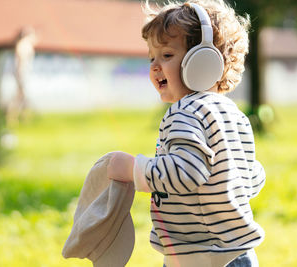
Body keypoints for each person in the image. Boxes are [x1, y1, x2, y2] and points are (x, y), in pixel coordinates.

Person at [107, 0, 266, 266]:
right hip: (239, 253)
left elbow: (187, 172)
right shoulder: (233, 113)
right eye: (152, 58)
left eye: (167, 55)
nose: (155, 66)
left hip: (201, 255)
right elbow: (253, 176)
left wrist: (134, 169)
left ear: (203, 61)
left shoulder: (185, 111)